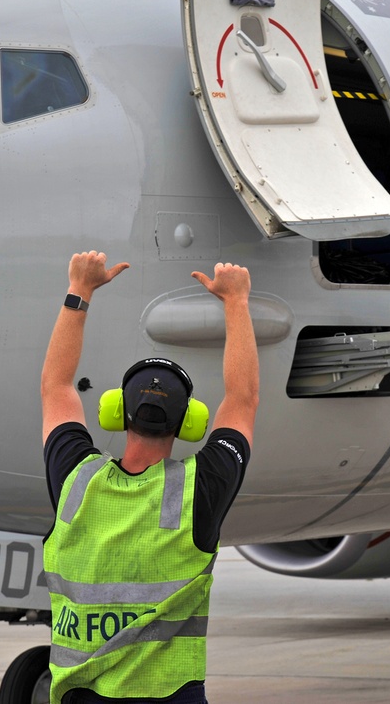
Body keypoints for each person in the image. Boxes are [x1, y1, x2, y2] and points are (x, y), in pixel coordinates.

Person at [40, 250, 259, 703]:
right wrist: (236, 302)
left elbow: (56, 386)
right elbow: (242, 399)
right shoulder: (198, 491)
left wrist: (80, 289)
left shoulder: (76, 480)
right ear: (189, 423)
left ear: (116, 413)